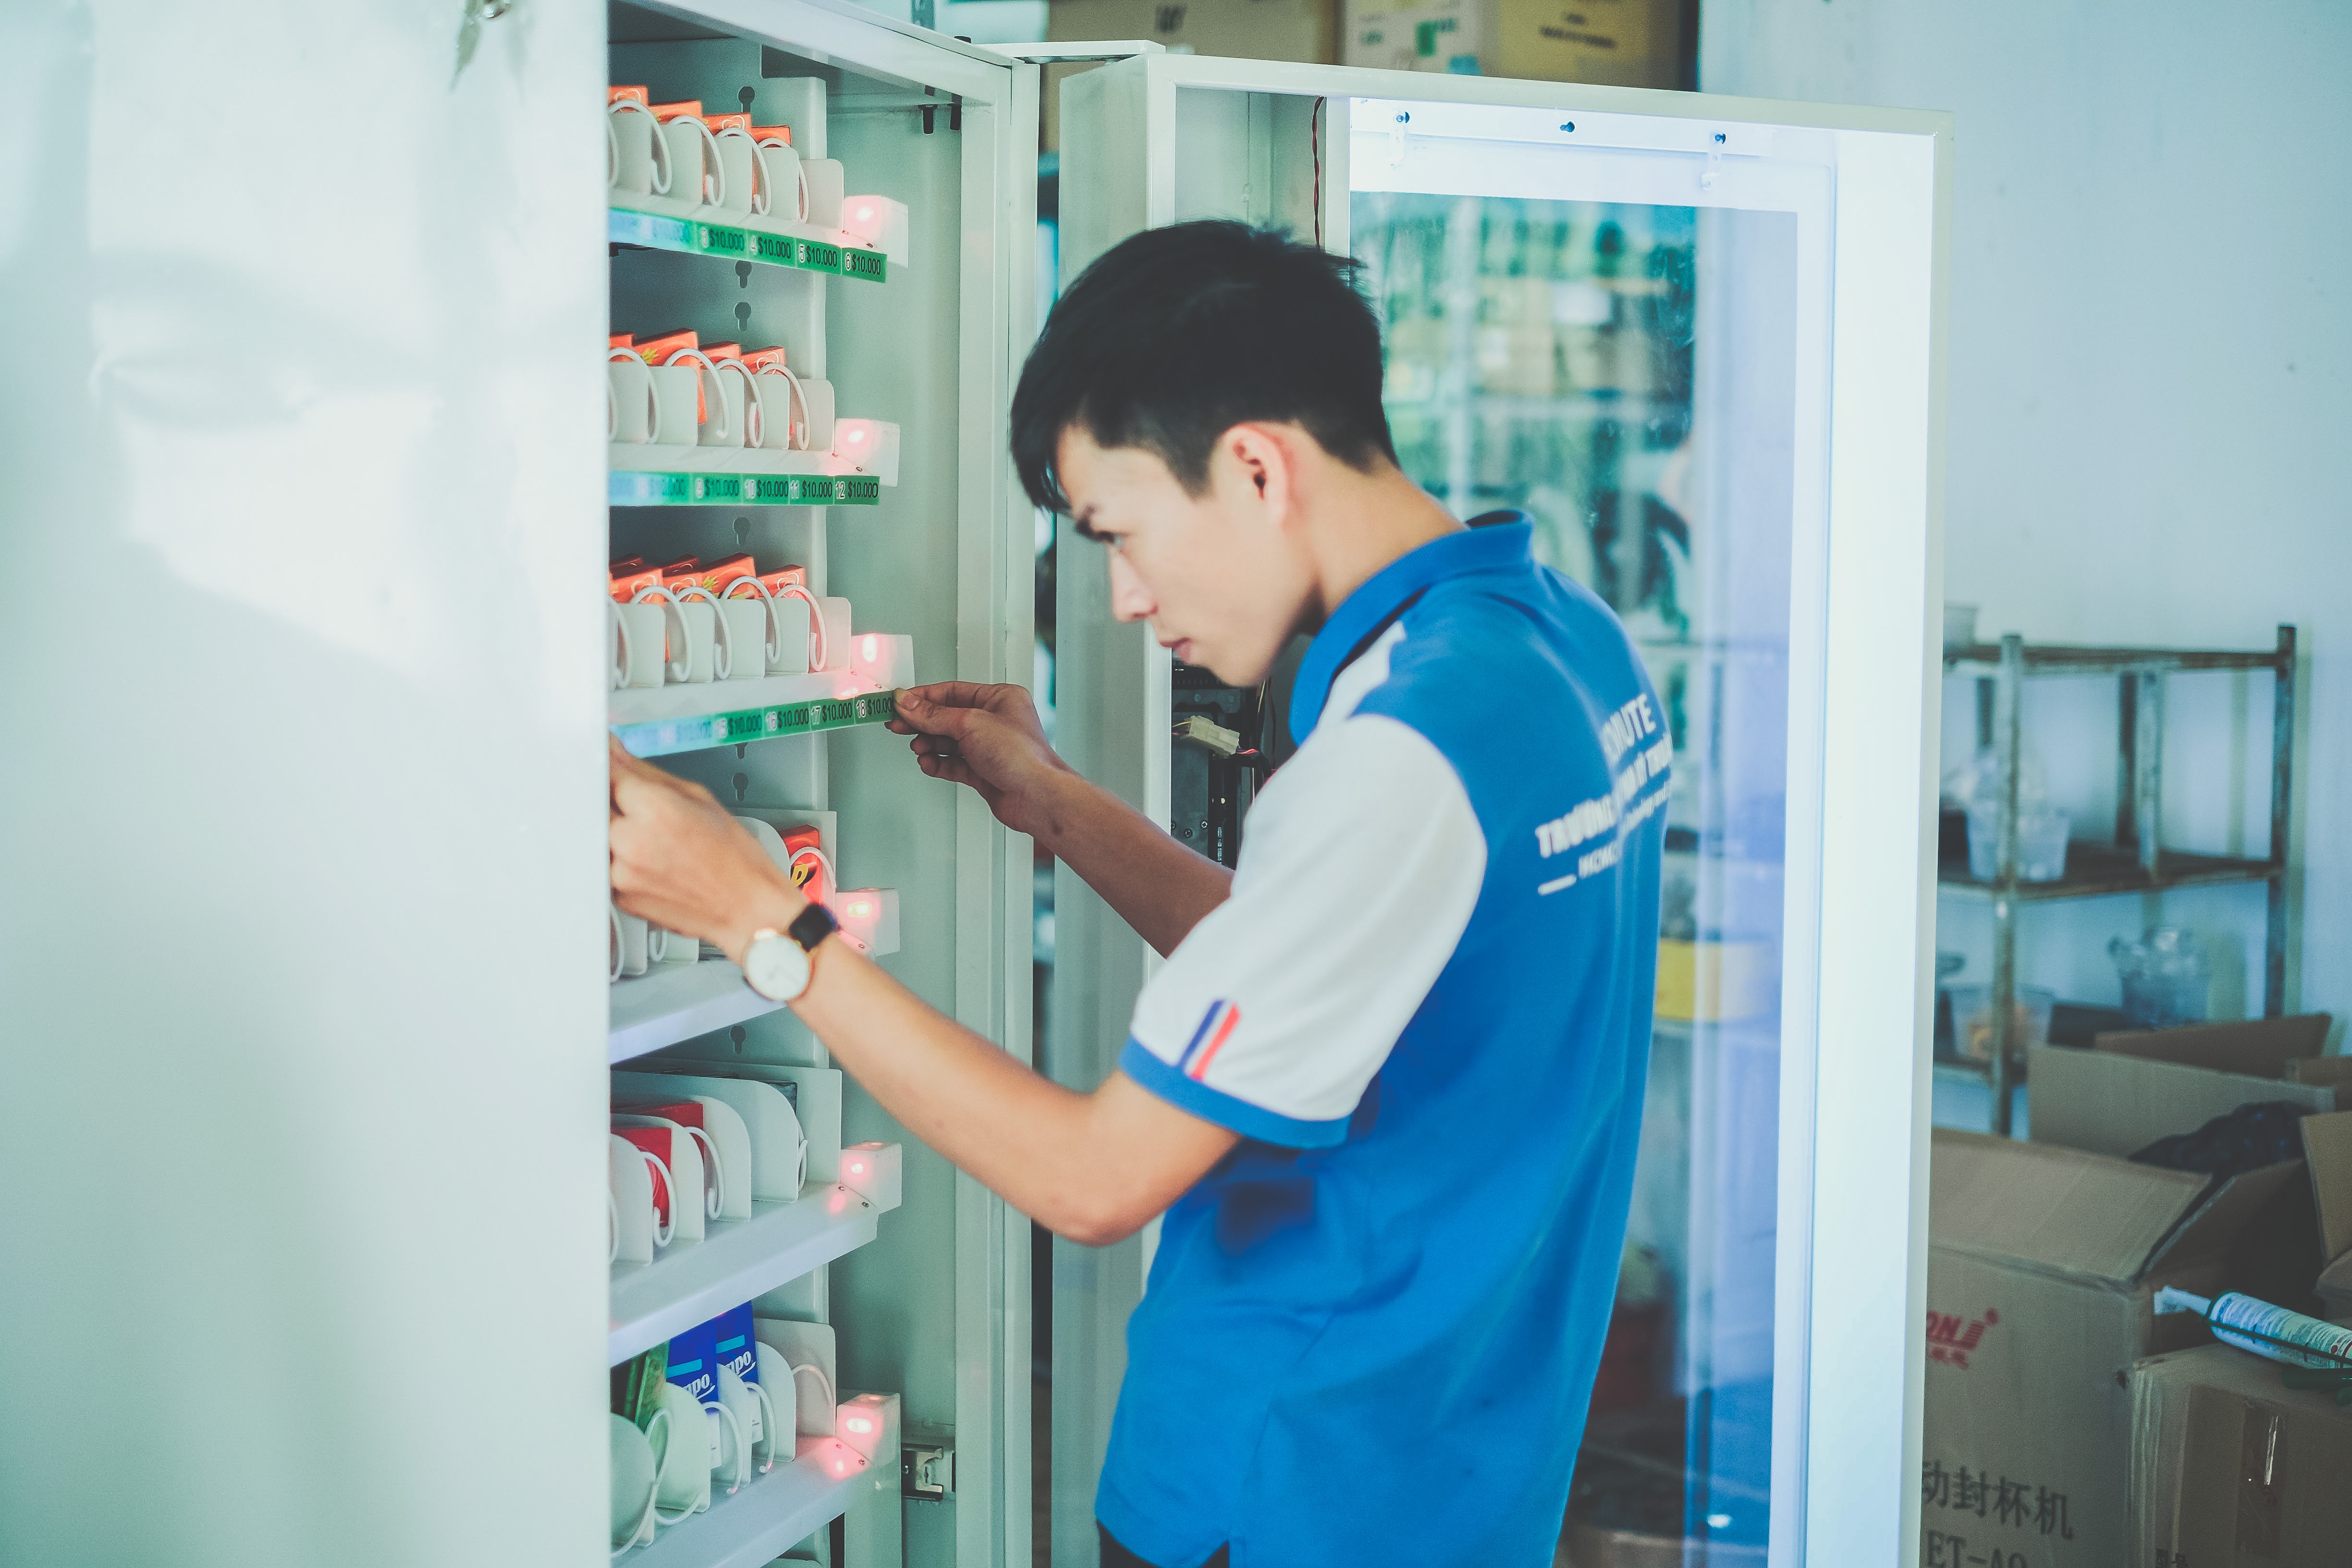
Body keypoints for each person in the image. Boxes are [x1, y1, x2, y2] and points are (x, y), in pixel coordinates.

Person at [609, 220, 1669, 1568]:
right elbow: (1334, 963)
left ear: (1255, 465)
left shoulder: (1400, 754)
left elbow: (1097, 1178)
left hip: (1285, 1481)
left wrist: (771, 926)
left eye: (1119, 531)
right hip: (1458, 1463)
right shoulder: (1560, 647)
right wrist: (1053, 799)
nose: (1117, 596)